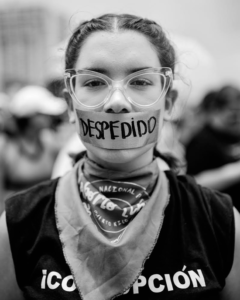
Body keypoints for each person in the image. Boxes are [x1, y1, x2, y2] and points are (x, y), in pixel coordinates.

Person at [0, 13, 239, 300]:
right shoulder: (17, 225)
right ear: (70, 106)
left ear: (168, 103)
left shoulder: (220, 222)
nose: (116, 102)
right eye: (93, 82)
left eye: (139, 82)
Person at [0, 85, 68, 205]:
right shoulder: (4, 146)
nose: (50, 117)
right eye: (43, 114)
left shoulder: (49, 139)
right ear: (29, 117)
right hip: (14, 215)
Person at [186, 86, 240, 212]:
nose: (238, 117)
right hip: (221, 216)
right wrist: (235, 171)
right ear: (217, 110)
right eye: (233, 112)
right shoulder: (201, 141)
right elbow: (194, 184)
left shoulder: (235, 134)